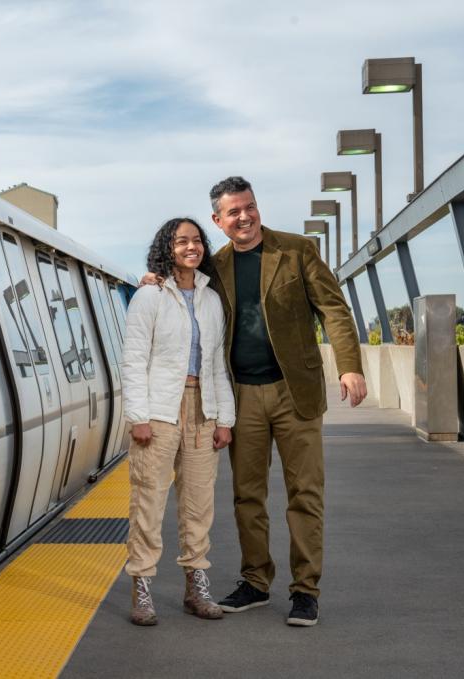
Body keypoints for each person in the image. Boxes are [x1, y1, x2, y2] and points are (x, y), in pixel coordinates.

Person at [206, 176, 366, 627]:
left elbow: (333, 309)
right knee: (246, 496)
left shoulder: (296, 250)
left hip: (295, 393)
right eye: (234, 212)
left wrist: (349, 365)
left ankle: (305, 591)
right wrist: (152, 277)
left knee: (305, 494)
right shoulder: (214, 268)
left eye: (250, 207)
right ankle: (255, 582)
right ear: (218, 221)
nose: (245, 217)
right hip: (242, 398)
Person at [122, 217, 235, 626]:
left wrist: (224, 418)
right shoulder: (149, 297)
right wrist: (138, 416)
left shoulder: (210, 300)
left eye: (197, 240)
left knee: (198, 504)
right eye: (181, 241)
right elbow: (134, 359)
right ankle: (142, 587)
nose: (191, 247)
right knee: (148, 501)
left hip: (203, 408)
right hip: (160, 410)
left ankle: (195, 586)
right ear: (167, 248)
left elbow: (218, 364)